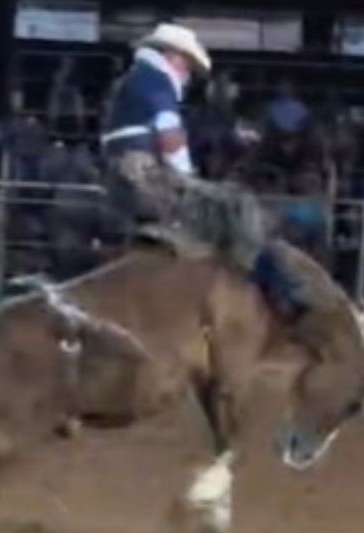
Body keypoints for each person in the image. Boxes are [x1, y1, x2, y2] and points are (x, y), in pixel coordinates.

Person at [100, 22, 339, 340]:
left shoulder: (136, 81)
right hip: (144, 177)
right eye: (187, 65)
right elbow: (170, 135)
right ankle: (283, 295)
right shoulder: (155, 81)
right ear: (172, 56)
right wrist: (186, 179)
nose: (188, 74)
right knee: (238, 205)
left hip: (128, 175)